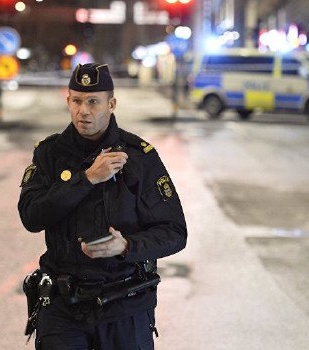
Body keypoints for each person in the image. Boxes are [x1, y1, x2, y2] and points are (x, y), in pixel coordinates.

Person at [18, 63, 187, 349]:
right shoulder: (50, 154)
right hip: (63, 306)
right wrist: (87, 179)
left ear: (111, 104)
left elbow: (174, 232)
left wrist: (126, 247)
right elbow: (32, 217)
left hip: (124, 304)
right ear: (68, 101)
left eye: (93, 101)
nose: (84, 110)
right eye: (77, 100)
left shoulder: (140, 157)